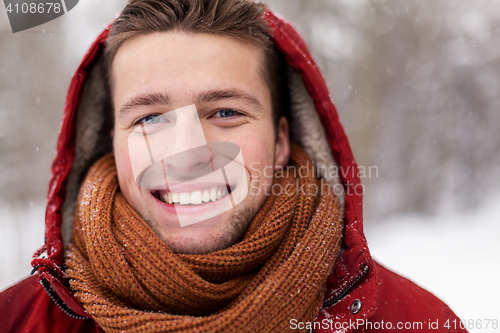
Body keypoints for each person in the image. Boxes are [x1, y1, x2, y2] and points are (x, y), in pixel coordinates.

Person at [0, 0, 467, 332]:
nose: (188, 153)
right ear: (112, 145)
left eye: (225, 112)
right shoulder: (16, 321)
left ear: (283, 140)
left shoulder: (417, 323)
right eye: (150, 118)